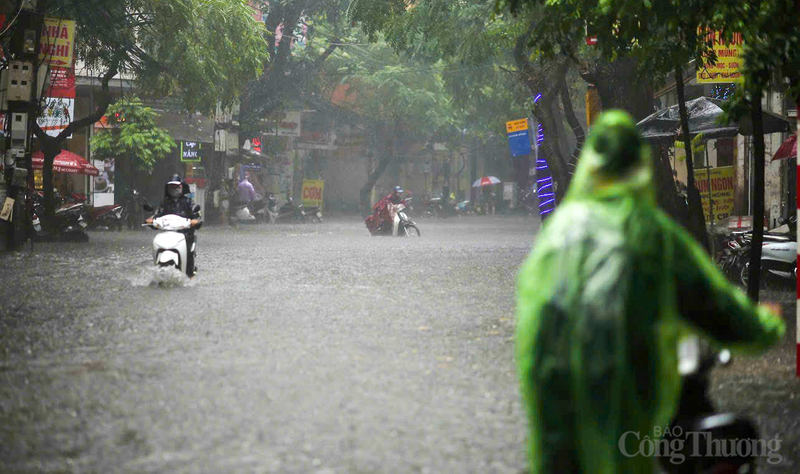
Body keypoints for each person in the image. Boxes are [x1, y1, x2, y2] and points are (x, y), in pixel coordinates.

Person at [515, 110, 785, 474]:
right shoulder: (652, 234)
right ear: (639, 168)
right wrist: (767, 324)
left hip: (550, 385)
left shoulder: (556, 234)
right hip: (622, 390)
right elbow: (717, 308)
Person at [146, 174, 200, 277]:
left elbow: (195, 215)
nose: (173, 189)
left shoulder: (188, 201)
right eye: (171, 186)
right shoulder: (165, 202)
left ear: (181, 187)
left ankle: (189, 273)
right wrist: (151, 220)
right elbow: (158, 214)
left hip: (185, 234)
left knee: (189, 252)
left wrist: (195, 220)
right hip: (168, 233)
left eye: (176, 186)